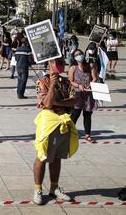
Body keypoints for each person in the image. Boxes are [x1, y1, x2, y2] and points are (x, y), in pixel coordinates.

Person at [33, 57, 77, 205]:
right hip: (48, 122)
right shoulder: (43, 81)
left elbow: (74, 101)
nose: (59, 65)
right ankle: (38, 189)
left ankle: (54, 187)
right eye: (56, 62)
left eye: (61, 62)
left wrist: (56, 103)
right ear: (49, 65)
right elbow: (46, 103)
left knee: (57, 156)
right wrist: (52, 85)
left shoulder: (66, 82)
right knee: (42, 155)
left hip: (62, 122)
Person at [68, 49, 99, 142]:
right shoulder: (73, 68)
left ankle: (87, 134)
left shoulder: (90, 65)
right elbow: (71, 81)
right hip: (77, 94)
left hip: (88, 94)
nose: (79, 56)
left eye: (80, 54)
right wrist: (78, 85)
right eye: (76, 55)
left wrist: (90, 84)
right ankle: (68, 133)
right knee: (75, 114)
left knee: (87, 115)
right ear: (74, 57)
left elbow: (95, 78)